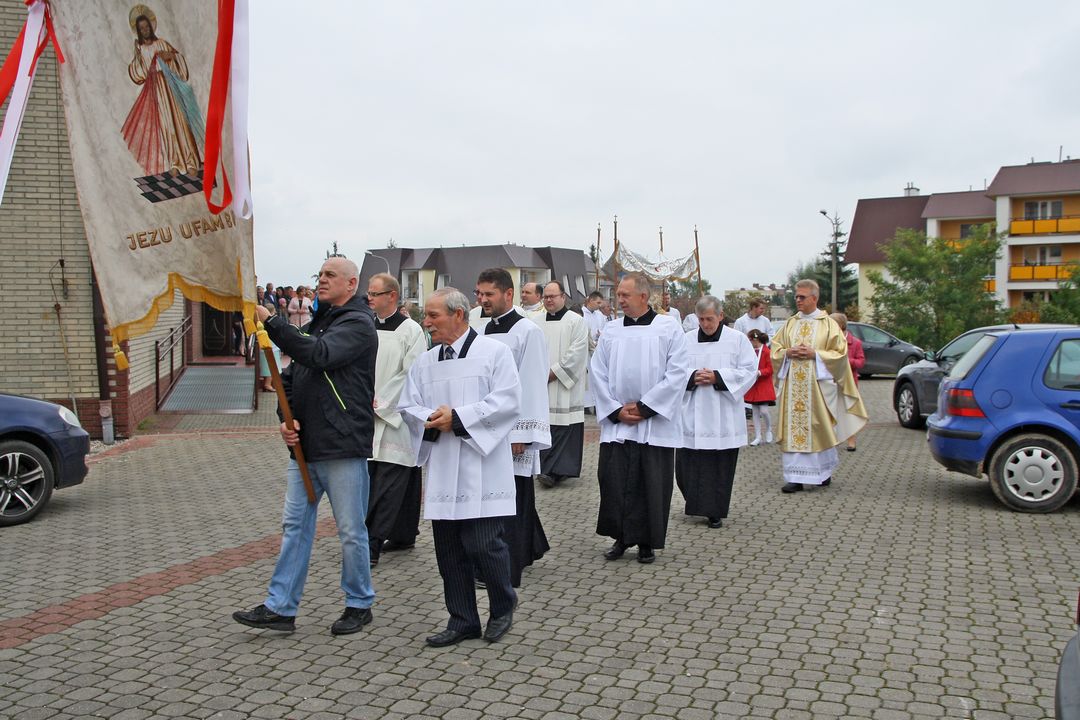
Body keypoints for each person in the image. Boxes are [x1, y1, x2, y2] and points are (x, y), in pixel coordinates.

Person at [233, 256, 377, 635]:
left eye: (330, 275)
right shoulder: (317, 324)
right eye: (320, 274)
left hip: (342, 445)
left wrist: (272, 322)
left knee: (350, 530)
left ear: (351, 284)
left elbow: (319, 355)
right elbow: (290, 379)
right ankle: (281, 607)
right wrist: (287, 419)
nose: (322, 280)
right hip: (305, 447)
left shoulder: (358, 324)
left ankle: (359, 602)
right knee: (295, 526)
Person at [398, 288, 520, 646]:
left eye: (433, 315)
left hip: (483, 465)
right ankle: (462, 619)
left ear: (458, 315)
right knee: (449, 550)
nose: (426, 322)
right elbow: (408, 405)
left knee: (485, 545)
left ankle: (502, 607)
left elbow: (508, 402)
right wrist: (432, 418)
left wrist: (459, 418)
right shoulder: (425, 362)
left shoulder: (494, 353)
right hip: (444, 464)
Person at [590, 272, 691, 563]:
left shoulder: (668, 328)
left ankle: (647, 542)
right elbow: (597, 371)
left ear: (643, 297)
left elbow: (678, 372)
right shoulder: (611, 330)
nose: (619, 299)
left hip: (654, 423)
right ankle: (621, 537)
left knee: (651, 483)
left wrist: (646, 408)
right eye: (618, 294)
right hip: (619, 423)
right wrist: (615, 410)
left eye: (625, 295)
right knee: (615, 481)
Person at [476, 269, 551, 587]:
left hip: (513, 433)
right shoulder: (482, 329)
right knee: (496, 499)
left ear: (508, 294)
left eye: (488, 294)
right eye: (479, 294)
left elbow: (532, 382)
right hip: (488, 429)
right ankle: (526, 548)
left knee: (514, 499)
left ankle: (508, 568)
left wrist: (521, 434)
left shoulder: (527, 331)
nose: (482, 300)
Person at [771, 280, 867, 494]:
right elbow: (775, 350)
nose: (798, 300)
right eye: (796, 296)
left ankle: (822, 473)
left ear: (814, 298)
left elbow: (840, 354)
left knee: (818, 428)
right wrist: (787, 353)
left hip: (818, 389)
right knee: (794, 429)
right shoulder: (790, 323)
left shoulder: (828, 324)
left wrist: (815, 354)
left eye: (802, 297)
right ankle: (794, 478)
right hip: (793, 388)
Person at [675, 296, 758, 528]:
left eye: (709, 319)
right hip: (692, 412)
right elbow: (673, 370)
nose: (705, 324)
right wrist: (692, 376)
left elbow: (750, 371)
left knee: (719, 466)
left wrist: (718, 377)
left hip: (723, 414)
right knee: (687, 465)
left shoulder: (737, 340)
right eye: (701, 319)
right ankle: (696, 503)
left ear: (720, 316)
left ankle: (714, 511)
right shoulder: (686, 340)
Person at [365, 274, 427, 567]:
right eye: (368, 293)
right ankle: (403, 534)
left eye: (374, 294)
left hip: (396, 415)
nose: (369, 298)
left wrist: (381, 403)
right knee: (379, 478)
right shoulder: (364, 327)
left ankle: (371, 543)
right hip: (365, 414)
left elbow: (412, 373)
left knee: (390, 481)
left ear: (392, 296)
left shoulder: (411, 331)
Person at [122, 8, 203, 177]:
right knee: (167, 127)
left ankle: (190, 161)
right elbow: (139, 74)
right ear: (138, 31)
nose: (145, 30)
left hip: (171, 85)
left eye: (147, 27)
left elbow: (178, 60)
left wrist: (170, 57)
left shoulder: (162, 43)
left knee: (181, 122)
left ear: (151, 27)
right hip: (157, 91)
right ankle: (175, 162)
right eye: (141, 28)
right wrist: (138, 55)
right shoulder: (140, 50)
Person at [534, 281, 589, 489]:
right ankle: (544, 469)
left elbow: (577, 353)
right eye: (546, 297)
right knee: (545, 427)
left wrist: (553, 373)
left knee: (564, 428)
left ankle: (557, 472)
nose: (549, 300)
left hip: (565, 386)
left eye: (552, 296)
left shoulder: (576, 321)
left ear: (563, 297)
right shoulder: (535, 322)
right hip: (541, 384)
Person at [831, 312, 865, 452]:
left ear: (840, 325)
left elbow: (861, 362)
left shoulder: (855, 342)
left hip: (848, 382)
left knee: (849, 411)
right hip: (831, 381)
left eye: (832, 323)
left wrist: (847, 361)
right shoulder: (829, 341)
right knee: (831, 410)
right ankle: (832, 440)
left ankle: (851, 441)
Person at [744, 329, 776, 445]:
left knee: (764, 411)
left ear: (755, 340)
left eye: (750, 340)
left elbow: (770, 369)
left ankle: (768, 429)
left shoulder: (767, 352)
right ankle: (758, 436)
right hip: (753, 385)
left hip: (764, 385)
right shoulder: (750, 352)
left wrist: (760, 372)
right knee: (755, 412)